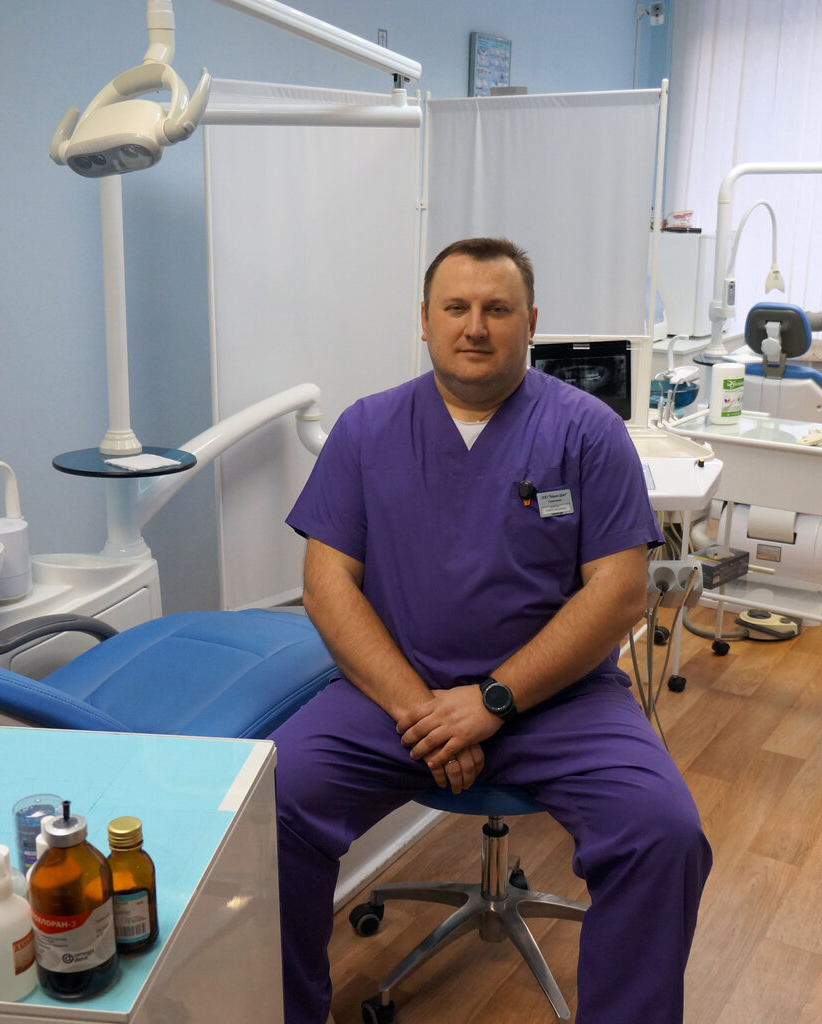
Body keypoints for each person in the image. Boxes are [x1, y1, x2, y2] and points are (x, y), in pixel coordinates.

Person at [270, 237, 711, 1024]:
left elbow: (618, 593)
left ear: (530, 323)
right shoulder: (367, 429)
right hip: (394, 699)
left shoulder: (587, 432)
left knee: (664, 833)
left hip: (561, 703)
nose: (475, 326)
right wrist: (421, 708)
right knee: (267, 808)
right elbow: (326, 585)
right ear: (425, 320)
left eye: (497, 309)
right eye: (457, 307)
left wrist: (491, 701)